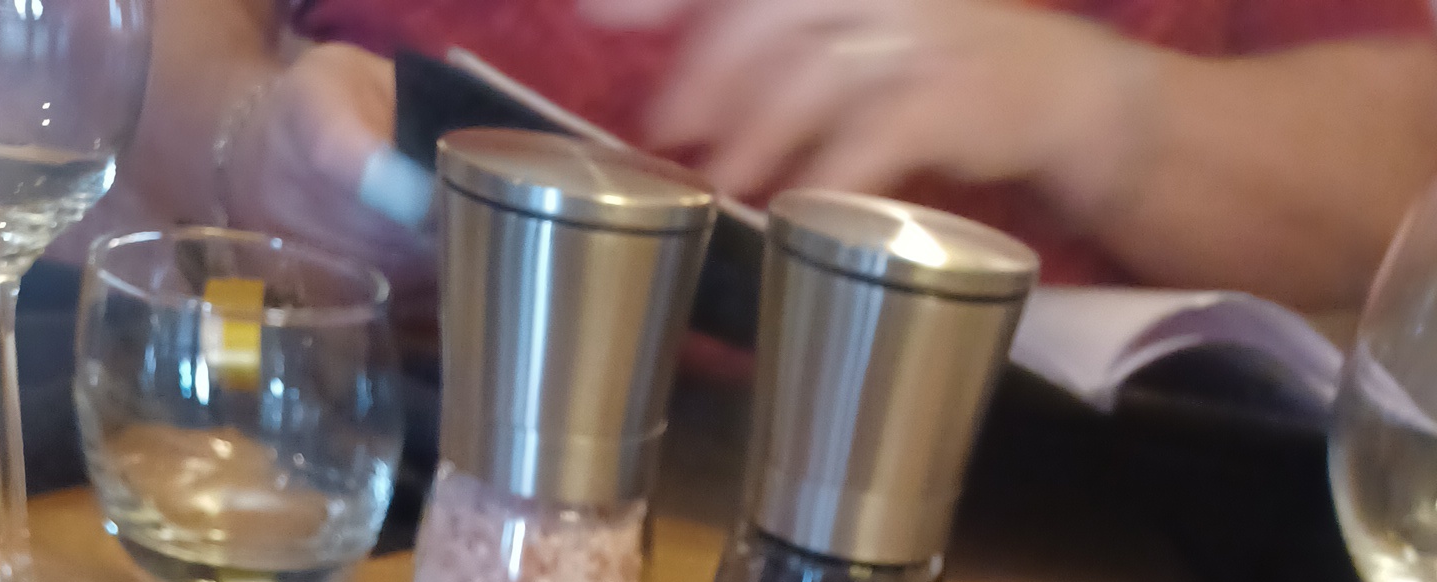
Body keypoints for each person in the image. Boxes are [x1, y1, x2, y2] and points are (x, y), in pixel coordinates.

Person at [103, 0, 1437, 306]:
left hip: (1047, 565)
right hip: (373, 448)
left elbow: (1394, 176)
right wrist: (244, 146)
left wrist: (1103, 108)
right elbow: (125, 32)